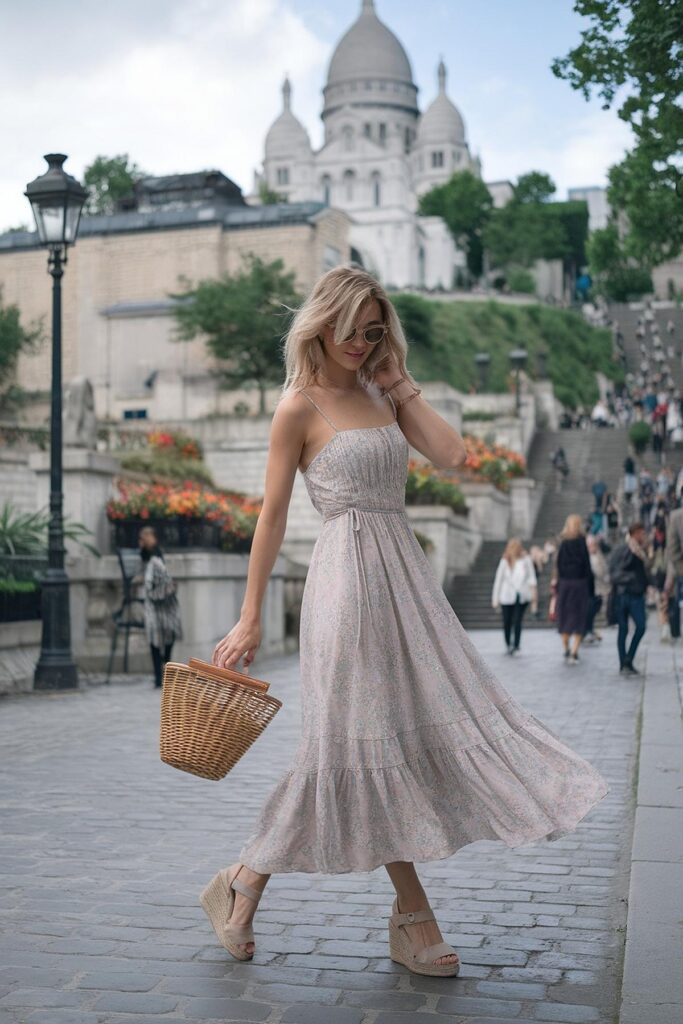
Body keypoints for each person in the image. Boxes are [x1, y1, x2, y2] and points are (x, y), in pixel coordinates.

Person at [199, 266, 609, 973]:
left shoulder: (378, 393)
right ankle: (410, 916)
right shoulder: (297, 406)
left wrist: (396, 379)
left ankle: (244, 882)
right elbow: (269, 517)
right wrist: (250, 617)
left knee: (381, 741)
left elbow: (452, 456)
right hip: (345, 583)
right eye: (350, 329)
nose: (359, 343)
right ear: (320, 323)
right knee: (355, 746)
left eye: (372, 331)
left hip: (404, 583)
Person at [138, 526, 182, 688]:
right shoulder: (150, 558)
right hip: (157, 605)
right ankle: (161, 674)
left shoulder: (156, 558)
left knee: (162, 638)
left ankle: (163, 673)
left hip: (162, 605)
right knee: (158, 640)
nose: (142, 541)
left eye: (145, 538)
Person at [607, 522, 652, 675]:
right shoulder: (625, 549)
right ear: (635, 533)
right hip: (625, 594)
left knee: (639, 627)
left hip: (634, 594)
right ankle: (624, 663)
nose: (643, 536)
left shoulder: (640, 551)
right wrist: (632, 580)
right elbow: (615, 572)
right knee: (624, 629)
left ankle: (628, 660)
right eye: (641, 533)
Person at [552, 513, 594, 665]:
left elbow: (559, 565)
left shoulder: (563, 543)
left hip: (565, 584)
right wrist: (590, 585)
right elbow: (587, 565)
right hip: (580, 584)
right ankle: (575, 651)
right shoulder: (582, 542)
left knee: (565, 617)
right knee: (579, 617)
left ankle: (566, 647)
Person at [491, 538, 538, 654]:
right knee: (507, 621)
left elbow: (531, 577)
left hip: (521, 595)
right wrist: (495, 598)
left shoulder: (526, 560)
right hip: (506, 595)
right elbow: (498, 580)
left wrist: (533, 593)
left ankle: (516, 645)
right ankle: (508, 644)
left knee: (517, 620)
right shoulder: (504, 561)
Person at [584, 534, 610, 643]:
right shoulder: (586, 557)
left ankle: (589, 630)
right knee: (589, 611)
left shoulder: (598, 555)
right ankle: (587, 631)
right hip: (590, 589)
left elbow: (604, 570)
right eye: (590, 545)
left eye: (593, 544)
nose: (592, 547)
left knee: (594, 609)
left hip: (599, 588)